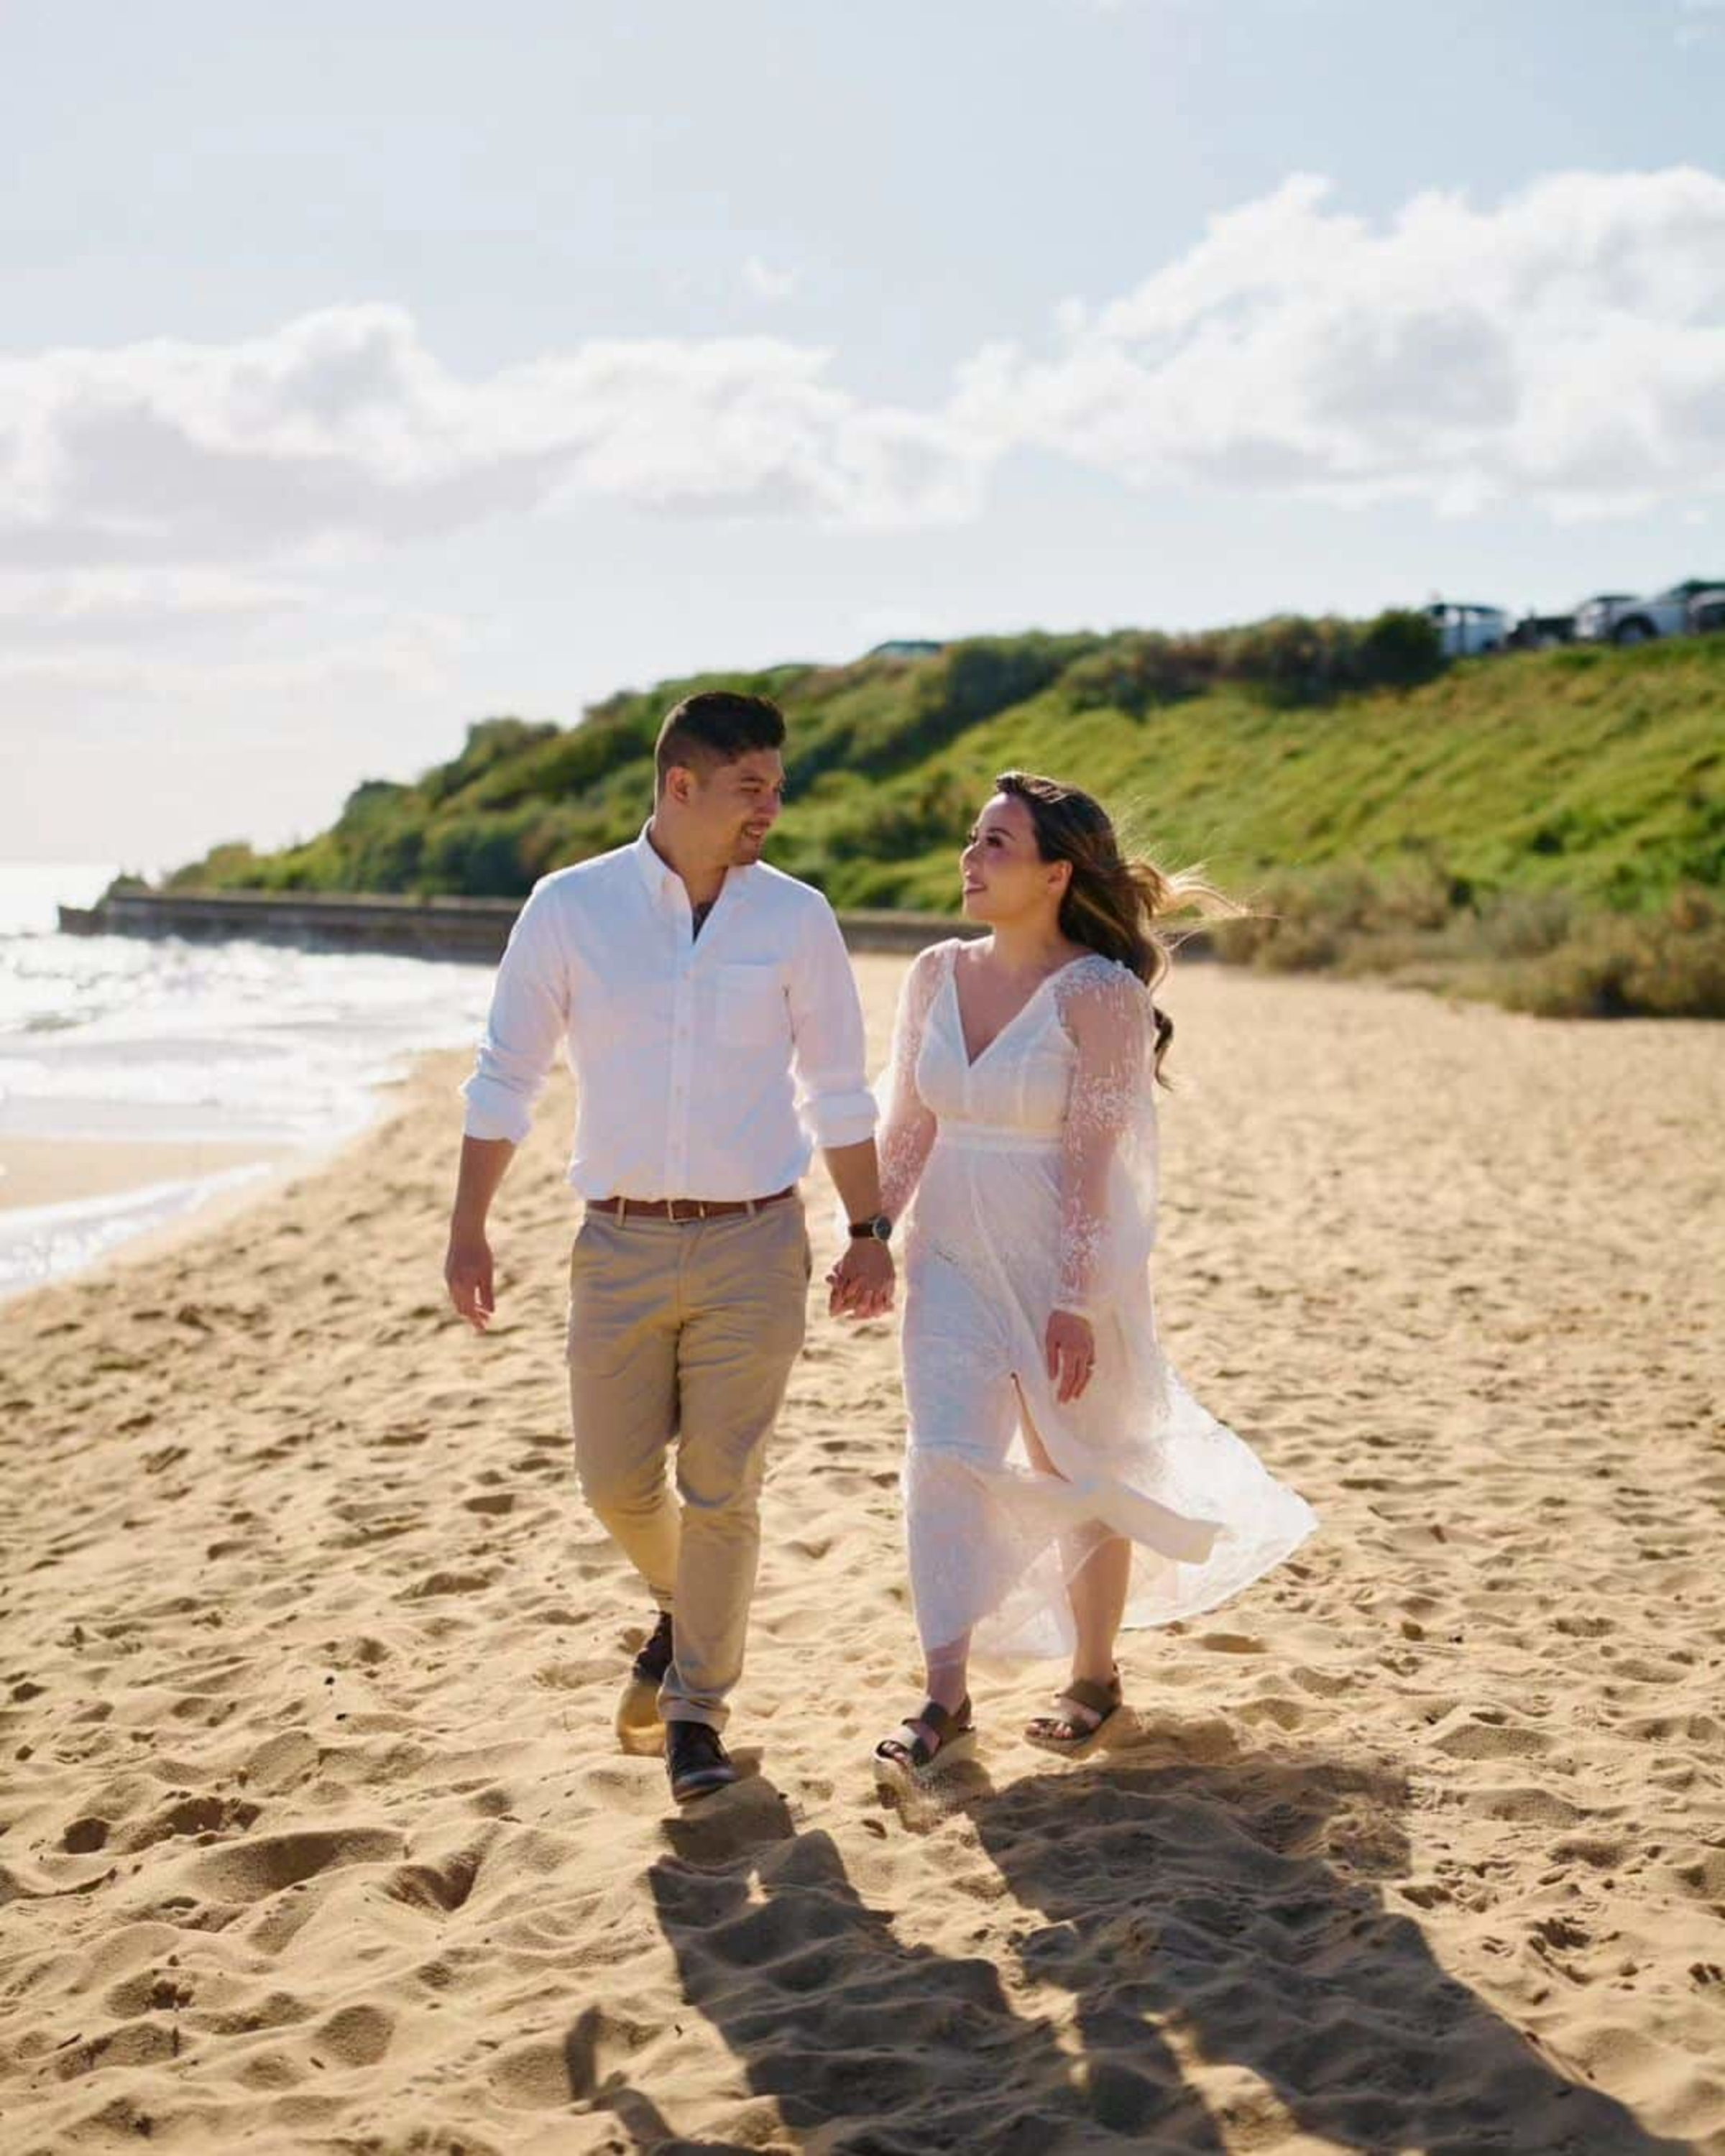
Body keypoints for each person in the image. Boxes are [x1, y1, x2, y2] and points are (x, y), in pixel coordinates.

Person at [445, 691, 896, 1804]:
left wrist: (870, 1229)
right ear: (681, 786)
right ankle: (681, 1607)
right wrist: (469, 1224)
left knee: (722, 1489)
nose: (772, 810)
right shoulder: (571, 908)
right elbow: (508, 1074)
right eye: (753, 788)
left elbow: (837, 1088)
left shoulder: (796, 917)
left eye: (778, 787)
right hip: (619, 1244)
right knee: (612, 1483)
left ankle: (698, 1711)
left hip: (755, 1243)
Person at [870, 771, 1317, 1782]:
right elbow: (910, 1124)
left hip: (1063, 1269)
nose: (971, 860)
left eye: (997, 845)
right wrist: (869, 1231)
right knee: (942, 1458)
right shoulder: (936, 973)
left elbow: (1093, 1159)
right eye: (973, 839)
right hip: (944, 1262)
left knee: (1080, 1465)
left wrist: (1076, 1299)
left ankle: (1094, 1676)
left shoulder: (1102, 994)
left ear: (1057, 873)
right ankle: (945, 1693)